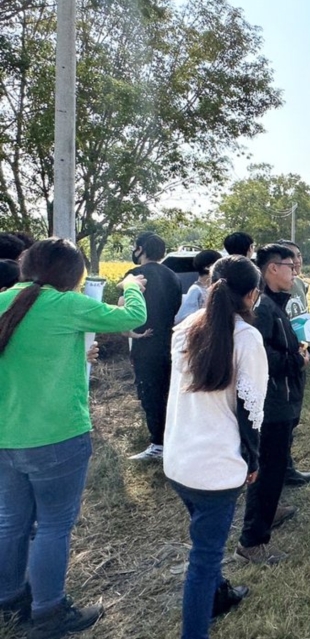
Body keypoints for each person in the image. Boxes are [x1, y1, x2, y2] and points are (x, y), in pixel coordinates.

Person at [0, 238, 147, 637]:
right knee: (53, 526)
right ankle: (48, 612)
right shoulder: (65, 304)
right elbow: (131, 317)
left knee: (11, 522)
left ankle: (10, 596)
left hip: (6, 437)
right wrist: (133, 285)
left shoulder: (4, 300)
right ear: (71, 273)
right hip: (57, 435)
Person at [164, 256, 268, 639]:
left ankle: (219, 596)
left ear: (211, 284)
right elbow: (252, 409)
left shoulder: (185, 328)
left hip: (179, 460)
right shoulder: (246, 337)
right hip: (216, 468)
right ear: (253, 294)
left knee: (206, 539)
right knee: (204, 560)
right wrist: (252, 459)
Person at [235, 244, 307, 564]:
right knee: (267, 470)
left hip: (283, 400)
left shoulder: (274, 304)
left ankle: (272, 509)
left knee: (274, 470)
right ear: (272, 269)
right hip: (273, 404)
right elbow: (258, 357)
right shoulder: (262, 308)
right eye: (290, 266)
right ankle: (253, 541)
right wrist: (296, 358)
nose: (295, 271)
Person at [125, 233, 184, 461]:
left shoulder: (135, 276)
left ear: (140, 249)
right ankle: (171, 438)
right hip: (169, 341)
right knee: (169, 392)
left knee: (150, 393)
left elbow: (127, 309)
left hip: (145, 341)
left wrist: (129, 332)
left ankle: (158, 444)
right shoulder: (173, 276)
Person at [276, 240, 310, 488]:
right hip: (284, 358)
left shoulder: (298, 283)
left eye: (299, 256)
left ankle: (285, 466)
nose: (297, 261)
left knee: (294, 415)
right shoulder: (273, 290)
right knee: (283, 417)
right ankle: (281, 470)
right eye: (292, 258)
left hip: (300, 353)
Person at [174, 250, 223, 324]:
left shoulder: (216, 287)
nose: (221, 268)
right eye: (218, 264)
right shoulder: (196, 290)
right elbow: (184, 318)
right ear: (207, 267)